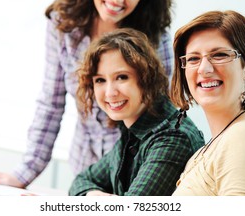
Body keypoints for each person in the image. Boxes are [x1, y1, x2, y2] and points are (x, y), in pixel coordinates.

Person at [0, 0, 176, 188]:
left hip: (137, 173)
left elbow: (162, 118)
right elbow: (51, 102)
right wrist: (22, 175)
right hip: (85, 170)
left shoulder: (156, 39)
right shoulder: (64, 25)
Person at [68, 28, 204, 196]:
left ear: (147, 78)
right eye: (100, 80)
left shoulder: (172, 138)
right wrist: (94, 195)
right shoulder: (132, 130)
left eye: (122, 77)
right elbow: (81, 180)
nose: (110, 92)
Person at [171, 10, 245, 196]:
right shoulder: (213, 146)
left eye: (219, 55)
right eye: (193, 58)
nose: (204, 69)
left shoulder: (243, 138)